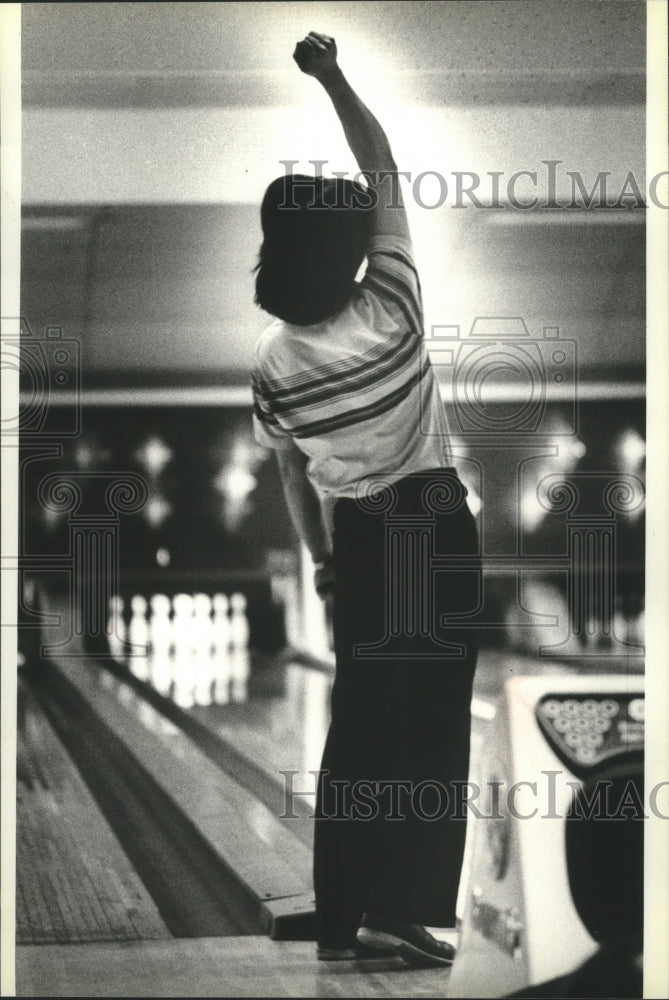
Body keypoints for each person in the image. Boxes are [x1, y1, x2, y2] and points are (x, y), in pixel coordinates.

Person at [252, 31, 480, 968]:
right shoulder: (391, 299)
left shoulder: (270, 365)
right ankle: (401, 906)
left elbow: (289, 473)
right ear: (348, 249)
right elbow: (380, 162)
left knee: (358, 726)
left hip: (355, 539)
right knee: (426, 730)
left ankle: (342, 907)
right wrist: (333, 76)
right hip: (430, 527)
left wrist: (321, 559)